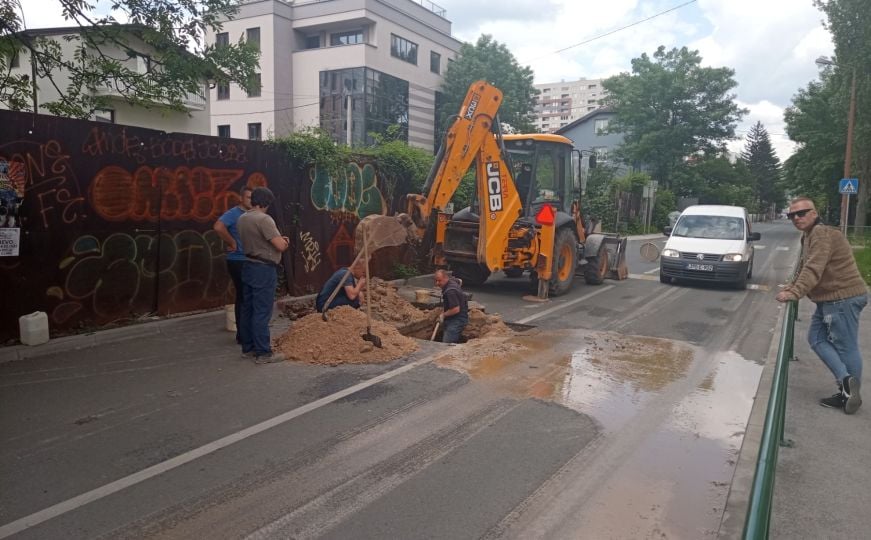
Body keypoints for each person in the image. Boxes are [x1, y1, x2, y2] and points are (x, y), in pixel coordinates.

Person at [776, 196, 868, 414]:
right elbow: (803, 266)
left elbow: (814, 268)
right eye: (792, 215)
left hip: (842, 298)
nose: (796, 218)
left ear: (814, 213)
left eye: (801, 213)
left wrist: (795, 293)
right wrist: (792, 285)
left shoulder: (822, 233)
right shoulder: (808, 236)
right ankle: (847, 384)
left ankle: (849, 393)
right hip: (829, 299)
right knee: (816, 339)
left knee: (847, 347)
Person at [237, 187, 290, 364]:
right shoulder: (264, 219)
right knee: (262, 311)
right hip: (264, 268)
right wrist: (284, 241)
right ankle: (263, 352)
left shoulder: (243, 218)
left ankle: (248, 348)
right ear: (267, 202)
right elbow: (280, 246)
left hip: (248, 265)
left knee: (248, 308)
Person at [213, 185, 253, 344]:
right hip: (238, 259)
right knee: (243, 297)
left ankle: (245, 333)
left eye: (253, 197)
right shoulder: (234, 213)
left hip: (247, 259)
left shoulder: (251, 214)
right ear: (241, 198)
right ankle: (243, 336)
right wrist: (232, 242)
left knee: (245, 296)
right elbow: (218, 227)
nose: (251, 200)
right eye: (249, 197)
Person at [434, 269, 468, 343]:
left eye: (439, 281)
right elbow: (460, 281)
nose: (437, 283)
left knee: (446, 344)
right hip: (453, 317)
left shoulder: (450, 291)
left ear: (446, 278)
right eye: (436, 280)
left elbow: (455, 309)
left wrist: (443, 315)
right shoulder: (452, 281)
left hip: (457, 319)